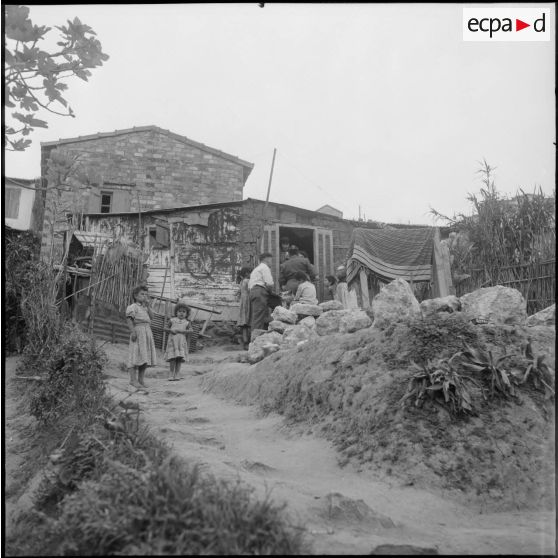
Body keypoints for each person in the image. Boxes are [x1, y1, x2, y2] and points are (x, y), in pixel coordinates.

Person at [126, 285, 157, 390]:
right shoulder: (133, 307)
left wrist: (148, 306)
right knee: (135, 355)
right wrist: (133, 332)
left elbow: (152, 318)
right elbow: (129, 320)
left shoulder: (145, 308)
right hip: (138, 332)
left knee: (144, 357)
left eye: (146, 294)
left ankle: (141, 380)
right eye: (142, 294)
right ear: (135, 295)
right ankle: (133, 380)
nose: (144, 296)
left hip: (147, 332)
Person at [248, 252, 274, 336]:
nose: (271, 262)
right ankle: (254, 342)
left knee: (257, 317)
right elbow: (269, 284)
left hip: (254, 292)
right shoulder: (264, 267)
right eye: (271, 260)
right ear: (266, 259)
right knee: (258, 318)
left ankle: (256, 340)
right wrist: (272, 293)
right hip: (260, 292)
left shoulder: (256, 269)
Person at [164, 303, 191, 381]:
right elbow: (165, 328)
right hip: (173, 341)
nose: (181, 313)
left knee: (179, 357)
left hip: (181, 342)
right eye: (179, 311)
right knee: (172, 357)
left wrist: (183, 331)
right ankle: (171, 373)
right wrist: (170, 330)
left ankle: (177, 373)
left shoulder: (187, 322)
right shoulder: (172, 320)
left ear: (187, 314)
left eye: (184, 312)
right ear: (176, 312)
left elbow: (191, 330)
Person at [236, 266, 252, 350]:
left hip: (243, 302)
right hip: (248, 302)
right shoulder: (247, 281)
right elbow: (250, 291)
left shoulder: (242, 281)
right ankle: (249, 342)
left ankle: (245, 342)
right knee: (248, 322)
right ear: (247, 274)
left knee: (244, 323)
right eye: (251, 273)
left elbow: (239, 292)